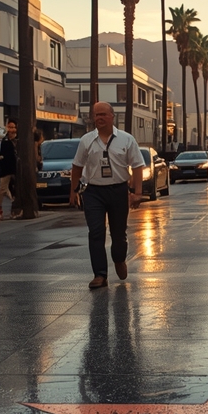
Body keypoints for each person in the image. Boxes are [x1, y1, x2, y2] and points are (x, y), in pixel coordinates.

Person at [70, 102, 145, 289]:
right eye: (96, 115)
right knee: (96, 232)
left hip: (118, 190)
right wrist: (73, 191)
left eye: (103, 114)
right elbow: (77, 166)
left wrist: (137, 193)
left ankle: (119, 259)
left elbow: (137, 166)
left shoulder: (126, 140)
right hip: (93, 192)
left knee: (118, 234)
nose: (99, 118)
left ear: (112, 116)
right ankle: (100, 274)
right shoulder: (86, 140)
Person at [0, 120, 19, 220]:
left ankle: (13, 206)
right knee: (2, 189)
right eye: (9, 127)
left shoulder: (18, 141)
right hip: (6, 169)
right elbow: (2, 154)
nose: (11, 130)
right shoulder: (4, 141)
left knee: (9, 189)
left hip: (16, 169)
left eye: (13, 127)